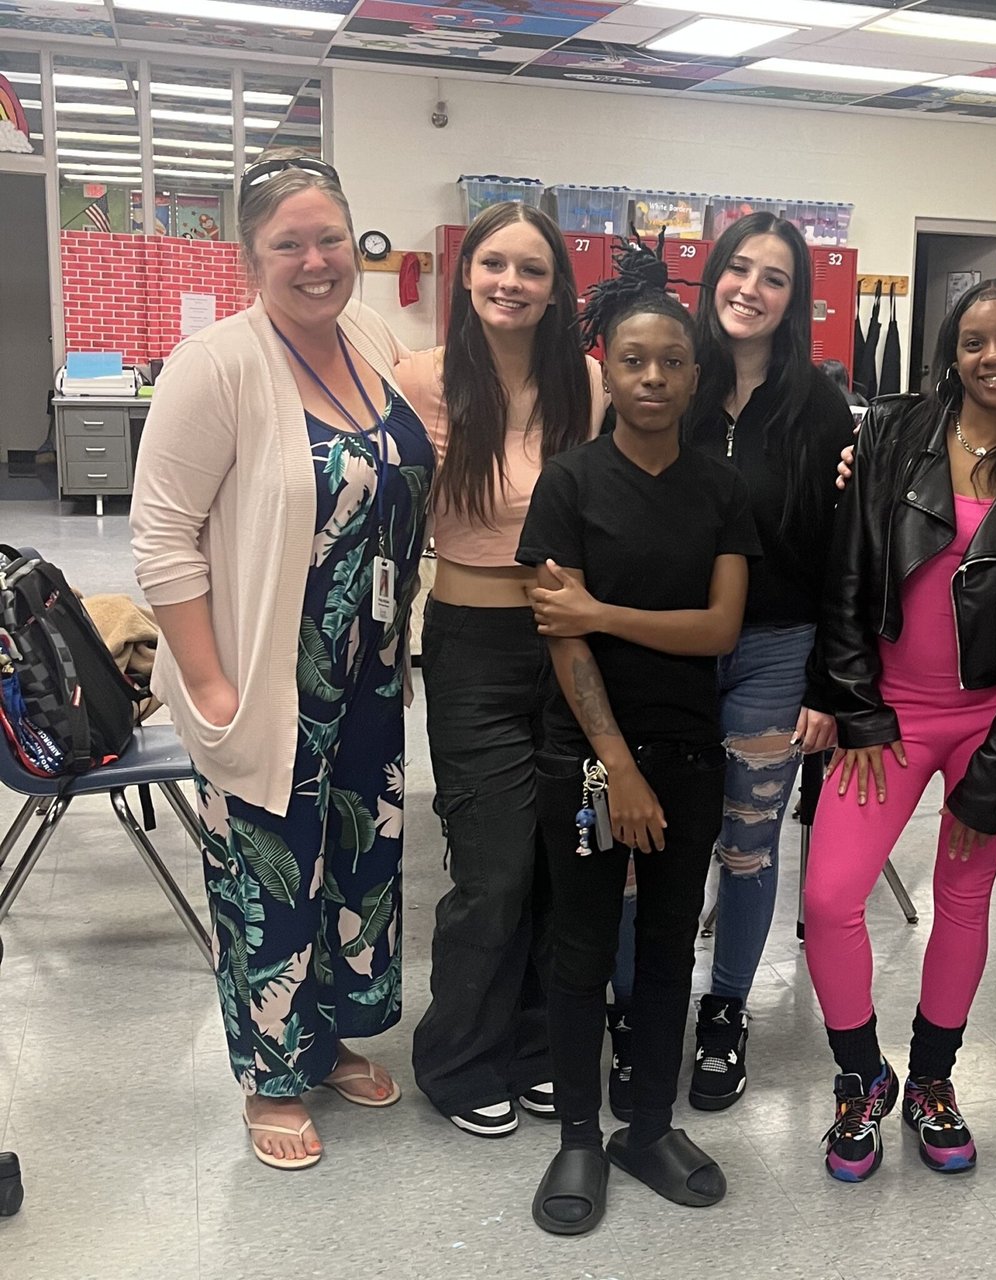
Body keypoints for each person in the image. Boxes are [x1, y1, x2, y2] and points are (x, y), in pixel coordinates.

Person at [130, 153, 432, 1170]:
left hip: (372, 675)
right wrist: (211, 686)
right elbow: (162, 537)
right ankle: (269, 1071)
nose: (315, 261)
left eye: (330, 239)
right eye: (288, 244)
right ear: (251, 255)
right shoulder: (215, 363)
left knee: (356, 863)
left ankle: (329, 1033)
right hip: (265, 677)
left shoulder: (372, 339)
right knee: (267, 873)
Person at [806, 277, 996, 1182]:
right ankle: (863, 1079)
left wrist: (992, 775)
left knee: (963, 904)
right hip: (885, 720)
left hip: (989, 724)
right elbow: (849, 573)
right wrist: (856, 706)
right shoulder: (892, 433)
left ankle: (934, 1076)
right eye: (974, 341)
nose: (993, 356)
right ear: (951, 353)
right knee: (828, 900)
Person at [518, 240, 762, 1234]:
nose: (652, 377)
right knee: (579, 949)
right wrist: (616, 767)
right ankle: (580, 1132)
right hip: (586, 757)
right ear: (606, 368)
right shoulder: (568, 485)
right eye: (633, 360)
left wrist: (603, 609)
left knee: (666, 949)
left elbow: (720, 630)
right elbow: (555, 633)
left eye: (671, 361)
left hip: (691, 753)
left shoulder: (720, 490)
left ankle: (647, 1123)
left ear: (696, 375)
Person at [607, 213, 856, 1116]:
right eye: (738, 268)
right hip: (666, 650)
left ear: (797, 299)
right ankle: (634, 1009)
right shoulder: (667, 380)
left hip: (775, 652)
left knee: (748, 847)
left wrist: (830, 683)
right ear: (711, 277)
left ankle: (725, 1010)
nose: (751, 287)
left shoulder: (820, 406)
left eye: (776, 276)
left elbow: (841, 556)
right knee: (644, 839)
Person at [396, 202, 605, 1138]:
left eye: (532, 269)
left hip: (570, 646)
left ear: (558, 288)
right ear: (466, 274)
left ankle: (536, 1050)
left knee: (562, 862)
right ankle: (458, 1058)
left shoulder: (588, 387)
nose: (509, 283)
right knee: (494, 866)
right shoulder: (424, 382)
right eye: (493, 265)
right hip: (472, 649)